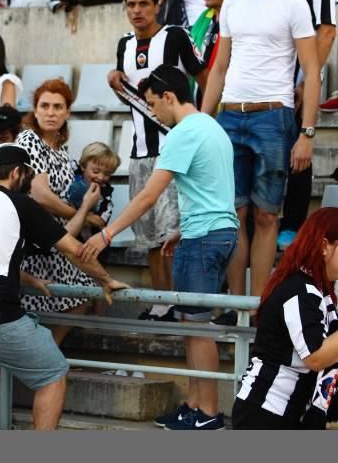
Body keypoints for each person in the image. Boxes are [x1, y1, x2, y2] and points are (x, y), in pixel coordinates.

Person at [80, 65, 239, 431]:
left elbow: (149, 194)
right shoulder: (212, 126)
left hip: (205, 238)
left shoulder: (184, 132)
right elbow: (211, 189)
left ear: (169, 97)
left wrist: (107, 234)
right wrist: (183, 229)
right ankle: (194, 404)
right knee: (189, 322)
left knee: (197, 327)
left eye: (153, 104)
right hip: (215, 232)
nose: (153, 113)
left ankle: (208, 412)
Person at [0, 142, 127, 430]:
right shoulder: (19, 204)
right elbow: (73, 249)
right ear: (17, 173)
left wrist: (28, 278)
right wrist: (105, 279)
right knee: (53, 375)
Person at [201, 0, 320, 300]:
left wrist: (308, 133)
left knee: (267, 216)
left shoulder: (292, 2)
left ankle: (259, 306)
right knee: (232, 216)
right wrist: (204, 122)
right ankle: (238, 304)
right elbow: (219, 67)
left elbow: (313, 72)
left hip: (274, 116)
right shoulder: (232, 3)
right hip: (230, 115)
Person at [108, 0, 207, 320]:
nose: (136, 11)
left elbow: (204, 77)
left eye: (143, 4)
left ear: (156, 4)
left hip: (176, 149)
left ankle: (181, 301)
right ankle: (161, 300)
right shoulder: (123, 45)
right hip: (139, 151)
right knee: (148, 235)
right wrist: (113, 83)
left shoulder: (176, 36)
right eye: (130, 5)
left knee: (173, 232)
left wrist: (204, 123)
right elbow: (133, 97)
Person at [233, 208, 338, 430]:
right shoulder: (300, 290)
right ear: (324, 246)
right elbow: (316, 356)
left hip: (290, 411)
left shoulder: (321, 290)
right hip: (265, 412)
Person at [268, 0, 337, 250]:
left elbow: (326, 29)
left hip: (297, 79)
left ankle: (292, 223)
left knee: (298, 150)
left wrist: (308, 78)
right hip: (268, 82)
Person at [15, 80, 97, 344]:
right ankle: (42, 355)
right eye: (45, 106)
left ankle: (49, 349)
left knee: (86, 292)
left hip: (59, 239)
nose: (51, 113)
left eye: (57, 107)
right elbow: (38, 194)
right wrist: (77, 211)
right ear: (35, 111)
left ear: (67, 112)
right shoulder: (29, 140)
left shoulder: (62, 151)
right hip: (35, 239)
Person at [66, 142, 119, 243]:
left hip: (90, 243)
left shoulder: (105, 195)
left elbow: (100, 221)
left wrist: (72, 211)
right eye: (95, 171)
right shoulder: (74, 171)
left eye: (107, 174)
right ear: (83, 166)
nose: (101, 177)